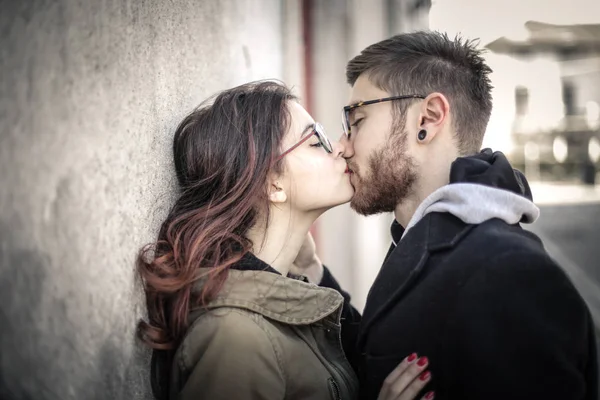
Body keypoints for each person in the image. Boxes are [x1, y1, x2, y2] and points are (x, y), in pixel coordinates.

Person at [330, 30, 598, 399]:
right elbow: (377, 349)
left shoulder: (507, 272)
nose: (342, 146)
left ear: (427, 118)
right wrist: (313, 274)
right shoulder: (430, 238)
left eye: (356, 120)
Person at [136, 81, 436, 400]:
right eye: (315, 141)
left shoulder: (281, 300)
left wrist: (311, 270)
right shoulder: (235, 338)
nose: (341, 147)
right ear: (272, 183)